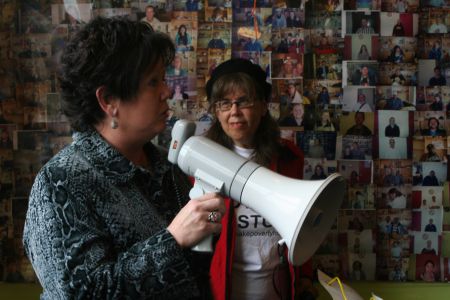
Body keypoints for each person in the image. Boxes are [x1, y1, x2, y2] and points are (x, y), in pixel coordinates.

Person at [23, 17, 226, 299]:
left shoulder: (167, 170)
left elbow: (193, 275)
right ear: (108, 101)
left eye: (163, 80)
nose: (167, 92)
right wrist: (172, 240)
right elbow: (80, 292)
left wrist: (206, 227)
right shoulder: (60, 182)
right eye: (153, 82)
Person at [204, 58, 314, 299]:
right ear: (216, 111)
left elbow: (303, 224)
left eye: (243, 101)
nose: (234, 112)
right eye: (224, 103)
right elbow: (202, 228)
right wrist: (215, 212)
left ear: (263, 106)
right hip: (224, 290)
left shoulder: (289, 158)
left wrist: (305, 276)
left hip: (279, 288)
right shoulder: (203, 162)